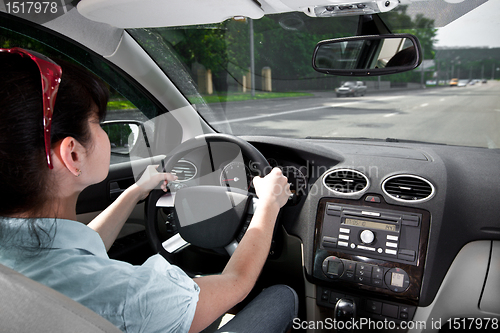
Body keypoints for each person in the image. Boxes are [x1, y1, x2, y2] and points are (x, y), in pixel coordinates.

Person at [0, 48, 297, 332]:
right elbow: (237, 280)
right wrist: (269, 203)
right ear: (73, 154)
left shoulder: (18, 254)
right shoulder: (126, 296)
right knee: (282, 295)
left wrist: (136, 191)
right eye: (98, 122)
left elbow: (80, 249)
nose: (105, 133)